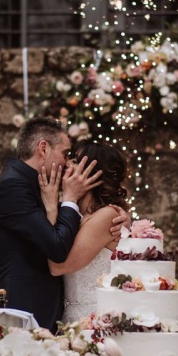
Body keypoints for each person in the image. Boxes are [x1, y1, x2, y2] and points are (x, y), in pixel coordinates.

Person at [0, 116, 126, 331]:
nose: (67, 163)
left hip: (55, 314)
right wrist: (65, 201)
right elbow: (57, 248)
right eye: (66, 154)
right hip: (22, 308)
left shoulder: (43, 188)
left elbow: (64, 231)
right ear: (43, 149)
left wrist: (122, 218)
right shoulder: (13, 186)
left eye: (72, 158)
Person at [39, 139, 131, 324]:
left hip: (95, 319)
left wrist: (56, 207)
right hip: (70, 318)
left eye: (73, 159)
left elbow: (58, 267)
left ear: (91, 172)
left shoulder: (107, 216)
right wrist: (51, 208)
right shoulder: (71, 213)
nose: (66, 163)